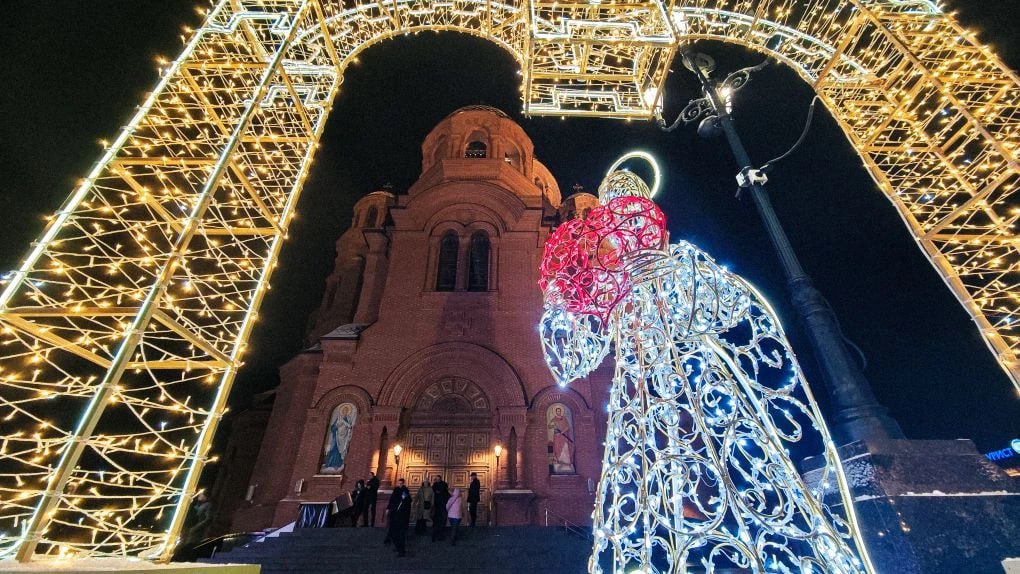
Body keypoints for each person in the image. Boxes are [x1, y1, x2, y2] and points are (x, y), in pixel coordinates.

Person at [385, 478, 412, 557]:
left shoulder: (405, 492)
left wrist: (405, 498)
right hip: (394, 514)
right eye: (398, 483)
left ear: (403, 484)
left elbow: (408, 501)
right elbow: (391, 500)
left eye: (401, 483)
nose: (399, 484)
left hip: (402, 516)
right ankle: (398, 546)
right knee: (394, 532)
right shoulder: (395, 491)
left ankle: (401, 550)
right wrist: (388, 508)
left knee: (401, 534)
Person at [430, 475, 450, 542]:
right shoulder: (434, 485)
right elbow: (432, 493)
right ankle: (435, 536)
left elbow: (447, 494)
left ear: (441, 479)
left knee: (441, 522)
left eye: (438, 479)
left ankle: (439, 536)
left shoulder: (444, 485)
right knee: (436, 522)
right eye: (437, 479)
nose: (438, 480)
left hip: (442, 506)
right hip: (436, 506)